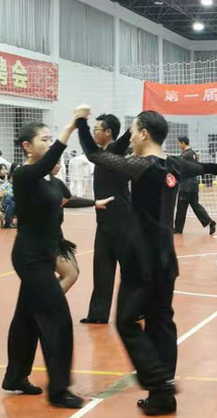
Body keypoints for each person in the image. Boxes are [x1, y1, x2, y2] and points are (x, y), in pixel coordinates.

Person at [76, 109, 217, 416]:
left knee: (126, 321)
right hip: (166, 259)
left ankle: (159, 382)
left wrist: (80, 121)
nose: (131, 137)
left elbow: (95, 155)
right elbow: (196, 167)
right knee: (161, 322)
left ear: (144, 133)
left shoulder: (141, 165)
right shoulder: (173, 164)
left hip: (143, 259)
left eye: (133, 131)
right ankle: (163, 397)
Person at [2, 112, 87, 409]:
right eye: (45, 139)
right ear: (27, 146)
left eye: (51, 139)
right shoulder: (24, 175)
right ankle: (59, 391)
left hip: (46, 253)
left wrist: (97, 202)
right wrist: (69, 128)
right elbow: (47, 161)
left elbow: (64, 200)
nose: (50, 144)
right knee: (58, 318)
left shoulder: (51, 180)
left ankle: (15, 377)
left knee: (26, 318)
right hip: (30, 257)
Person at [81, 113, 132, 325]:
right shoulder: (102, 155)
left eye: (97, 129)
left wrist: (135, 126)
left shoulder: (114, 151)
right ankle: (98, 314)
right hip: (104, 222)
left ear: (108, 132)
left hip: (122, 221)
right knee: (102, 268)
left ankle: (136, 311)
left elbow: (124, 141)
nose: (94, 133)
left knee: (129, 269)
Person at [173, 136, 216, 235]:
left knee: (181, 207)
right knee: (195, 205)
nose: (177, 145)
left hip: (186, 186)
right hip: (194, 185)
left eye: (178, 143)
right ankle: (209, 221)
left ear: (183, 143)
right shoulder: (193, 153)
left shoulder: (185, 155)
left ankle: (178, 229)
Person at [50, 160, 80, 294]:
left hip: (57, 236)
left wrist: (94, 202)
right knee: (70, 274)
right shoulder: (37, 184)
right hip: (44, 240)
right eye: (56, 163)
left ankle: (46, 300)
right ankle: (46, 304)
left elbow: (69, 200)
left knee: (74, 272)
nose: (60, 166)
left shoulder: (57, 183)